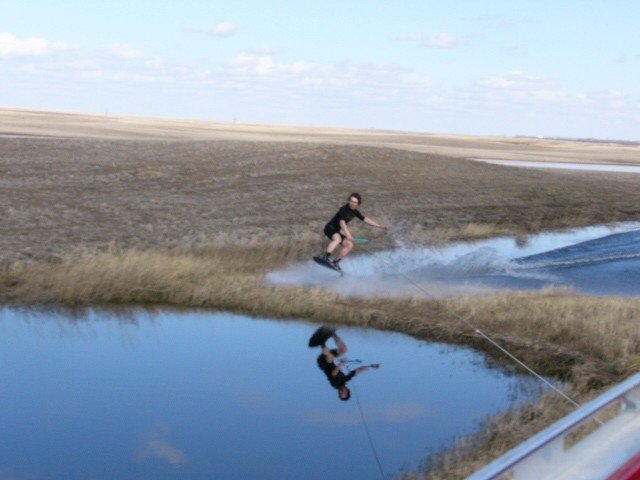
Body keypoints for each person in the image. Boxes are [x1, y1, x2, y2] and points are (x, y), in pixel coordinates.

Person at [321, 193, 388, 270]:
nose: (352, 203)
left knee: (349, 244)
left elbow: (365, 219)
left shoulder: (355, 212)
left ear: (358, 204)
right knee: (338, 239)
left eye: (355, 202)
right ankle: (325, 257)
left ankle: (335, 262)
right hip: (330, 228)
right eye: (351, 201)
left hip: (336, 231)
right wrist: (348, 235)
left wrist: (379, 226)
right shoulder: (344, 209)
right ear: (349, 201)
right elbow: (342, 223)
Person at [314, 328, 380, 401]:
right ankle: (332, 333)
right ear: (347, 390)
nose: (341, 392)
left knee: (330, 358)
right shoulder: (346, 379)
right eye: (344, 393)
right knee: (344, 350)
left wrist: (341, 364)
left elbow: (333, 373)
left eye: (340, 394)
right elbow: (358, 370)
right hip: (330, 360)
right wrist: (371, 366)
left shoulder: (335, 384)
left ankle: (322, 342)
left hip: (323, 363)